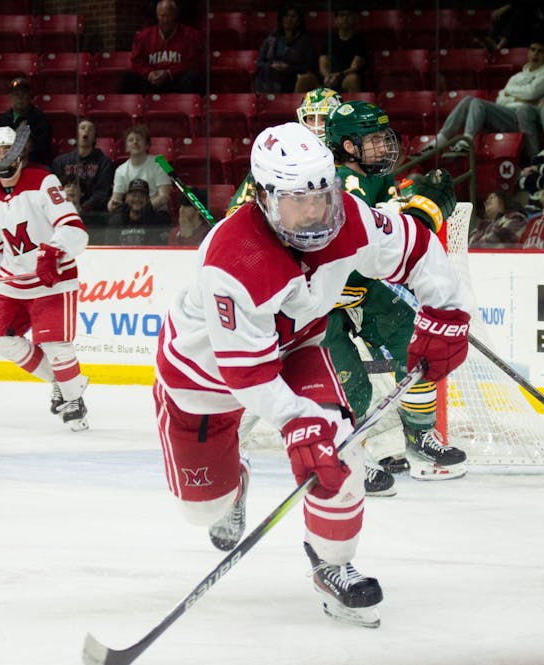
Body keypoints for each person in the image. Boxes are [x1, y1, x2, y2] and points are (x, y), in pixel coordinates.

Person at [153, 122, 472, 628]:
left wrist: (448, 311)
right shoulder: (232, 262)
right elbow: (248, 374)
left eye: (322, 196)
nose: (314, 213)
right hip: (205, 375)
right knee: (202, 510)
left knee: (339, 453)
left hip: (297, 349)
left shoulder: (350, 220)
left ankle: (333, 565)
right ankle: (233, 487)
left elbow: (417, 248)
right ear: (262, 197)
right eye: (297, 200)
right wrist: (292, 421)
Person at [323, 100, 469, 493]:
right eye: (373, 140)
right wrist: (423, 211)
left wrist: (413, 207)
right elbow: (363, 235)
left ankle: (420, 436)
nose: (384, 147)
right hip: (318, 304)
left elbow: (390, 227)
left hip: (361, 289)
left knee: (413, 342)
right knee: (351, 384)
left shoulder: (373, 178)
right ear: (349, 146)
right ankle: (350, 456)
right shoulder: (337, 181)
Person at [0, 126, 91, 431]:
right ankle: (64, 383)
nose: (1, 157)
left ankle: (73, 399)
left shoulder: (43, 181)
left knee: (55, 344)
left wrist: (53, 252)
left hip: (53, 279)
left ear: (19, 153)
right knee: (1, 340)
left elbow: (74, 229)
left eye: (6, 151)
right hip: (15, 285)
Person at [419, 37, 544, 159]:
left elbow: (532, 93)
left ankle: (467, 141)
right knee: (468, 100)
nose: (535, 54)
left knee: (478, 103)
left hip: (525, 117)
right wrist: (519, 97)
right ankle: (440, 140)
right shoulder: (517, 76)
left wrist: (511, 94)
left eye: (540, 51)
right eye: (533, 50)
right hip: (505, 115)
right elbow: (501, 99)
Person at [227, 88, 343, 213]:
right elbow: (237, 211)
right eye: (310, 118)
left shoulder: (350, 162)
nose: (316, 127)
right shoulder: (278, 157)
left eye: (323, 119)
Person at [119, 0, 204, 95]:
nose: (166, 20)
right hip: (152, 81)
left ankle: (187, 108)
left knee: (193, 78)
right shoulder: (143, 37)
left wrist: (169, 73)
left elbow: (194, 62)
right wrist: (149, 74)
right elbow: (136, 62)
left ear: (175, 16)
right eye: (162, 16)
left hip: (177, 81)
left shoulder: (191, 35)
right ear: (157, 16)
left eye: (169, 16)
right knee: (127, 78)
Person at [50, 119, 114, 227]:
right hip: (63, 213)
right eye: (83, 128)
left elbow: (102, 193)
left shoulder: (104, 162)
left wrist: (83, 209)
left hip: (93, 217)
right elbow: (54, 189)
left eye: (90, 129)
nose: (86, 131)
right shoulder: (60, 162)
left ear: (95, 136)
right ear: (76, 133)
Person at [253, 6, 318, 94]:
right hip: (271, 75)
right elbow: (260, 62)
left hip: (293, 77)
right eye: (286, 16)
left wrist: (289, 68)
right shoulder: (272, 38)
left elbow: (310, 65)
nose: (289, 19)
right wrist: (272, 66)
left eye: (293, 16)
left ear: (299, 21)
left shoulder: (305, 41)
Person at [107, 124, 171, 214]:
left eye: (139, 139)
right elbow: (116, 198)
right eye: (130, 140)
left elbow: (164, 196)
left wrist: (142, 209)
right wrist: (112, 205)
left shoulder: (161, 163)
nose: (135, 142)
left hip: (155, 212)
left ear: (147, 146)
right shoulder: (120, 170)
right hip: (131, 214)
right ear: (126, 147)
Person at [0, 77, 52, 166]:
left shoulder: (40, 119)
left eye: (23, 93)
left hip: (33, 163)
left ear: (30, 96)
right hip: (7, 163)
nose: (20, 97)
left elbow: (42, 148)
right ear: (10, 97)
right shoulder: (4, 119)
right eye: (16, 94)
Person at [317, 6, 368, 94]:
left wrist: (338, 75)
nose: (345, 18)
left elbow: (354, 67)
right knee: (305, 79)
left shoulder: (360, 42)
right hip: (329, 78)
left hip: (346, 77)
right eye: (341, 15)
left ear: (354, 19)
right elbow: (323, 64)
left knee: (353, 79)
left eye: (348, 15)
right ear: (336, 20)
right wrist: (327, 76)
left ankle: (353, 107)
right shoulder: (329, 40)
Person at [107, 177, 170, 245]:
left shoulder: (158, 221)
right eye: (134, 195)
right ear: (126, 198)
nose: (137, 199)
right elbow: (110, 247)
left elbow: (156, 249)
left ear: (148, 199)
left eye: (142, 195)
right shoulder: (116, 220)